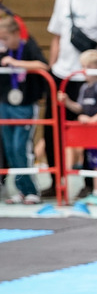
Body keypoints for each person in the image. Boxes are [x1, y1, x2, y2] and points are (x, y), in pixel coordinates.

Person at [43, 0, 97, 197]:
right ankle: (56, 179)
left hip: (86, 77)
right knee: (52, 130)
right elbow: (57, 36)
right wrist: (52, 68)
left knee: (88, 131)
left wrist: (95, 69)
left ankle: (90, 182)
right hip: (62, 74)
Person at [58, 49, 97, 205]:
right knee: (95, 163)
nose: (85, 71)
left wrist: (92, 120)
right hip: (91, 134)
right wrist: (67, 102)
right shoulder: (85, 88)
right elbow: (80, 108)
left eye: (89, 67)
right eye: (83, 67)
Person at [0, 15, 47, 205]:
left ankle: (31, 190)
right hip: (5, 105)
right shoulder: (2, 50)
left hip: (25, 105)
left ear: (15, 34)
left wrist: (16, 62)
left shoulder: (27, 46)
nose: (3, 42)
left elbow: (42, 65)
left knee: (22, 148)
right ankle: (21, 190)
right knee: (10, 149)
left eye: (5, 38)